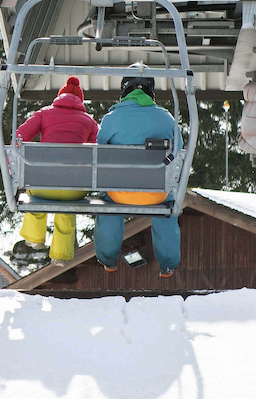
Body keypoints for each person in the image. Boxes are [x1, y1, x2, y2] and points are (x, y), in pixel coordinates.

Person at [94, 70, 182, 277]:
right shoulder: (167, 118)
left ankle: (109, 260)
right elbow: (178, 152)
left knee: (108, 203)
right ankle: (167, 265)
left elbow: (99, 154)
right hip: (156, 193)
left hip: (120, 192)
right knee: (168, 204)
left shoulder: (111, 118)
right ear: (151, 92)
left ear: (124, 90)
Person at [15, 75, 99, 261]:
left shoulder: (44, 113)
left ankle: (34, 238)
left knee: (34, 193)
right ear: (80, 101)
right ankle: (61, 255)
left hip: (44, 186)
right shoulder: (89, 121)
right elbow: (99, 153)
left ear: (59, 97)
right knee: (67, 209)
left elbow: (20, 137)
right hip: (75, 190)